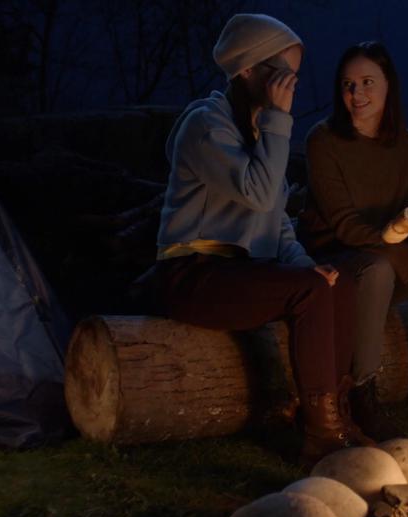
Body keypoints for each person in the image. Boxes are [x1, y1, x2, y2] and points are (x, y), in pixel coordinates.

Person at [154, 14, 371, 463]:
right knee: (310, 292)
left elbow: (277, 221)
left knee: (338, 281)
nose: (289, 86)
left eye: (294, 76)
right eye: (281, 75)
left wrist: (306, 264)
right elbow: (257, 193)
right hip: (193, 276)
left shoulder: (261, 130)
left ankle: (340, 413)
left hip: (243, 273)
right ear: (248, 71)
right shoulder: (205, 126)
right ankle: (322, 436)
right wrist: (278, 120)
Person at [298, 41, 408, 438]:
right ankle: (361, 391)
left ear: (388, 86)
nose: (356, 94)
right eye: (347, 85)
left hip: (387, 251)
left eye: (367, 82)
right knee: (379, 269)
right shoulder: (323, 140)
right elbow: (343, 225)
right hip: (335, 259)